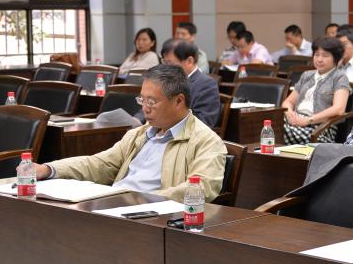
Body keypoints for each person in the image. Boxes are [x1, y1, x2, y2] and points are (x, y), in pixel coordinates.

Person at [34, 64, 227, 201]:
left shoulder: (206, 141)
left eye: (151, 102)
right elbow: (100, 163)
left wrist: (141, 199)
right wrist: (49, 169)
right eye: (142, 100)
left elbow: (202, 187)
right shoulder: (140, 134)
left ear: (179, 101)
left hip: (153, 217)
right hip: (116, 205)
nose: (145, 108)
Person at [281, 37, 351, 144]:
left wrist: (308, 120)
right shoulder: (306, 75)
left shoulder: (340, 77)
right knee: (262, 124)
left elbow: (339, 109)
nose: (319, 59)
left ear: (336, 58)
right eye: (317, 54)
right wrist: (290, 114)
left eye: (325, 56)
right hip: (295, 121)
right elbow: (288, 102)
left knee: (275, 131)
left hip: (320, 129)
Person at [161, 39, 220, 128]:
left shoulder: (206, 84)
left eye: (170, 63)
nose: (166, 68)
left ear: (189, 61)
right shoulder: (166, 80)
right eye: (164, 62)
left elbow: (204, 122)